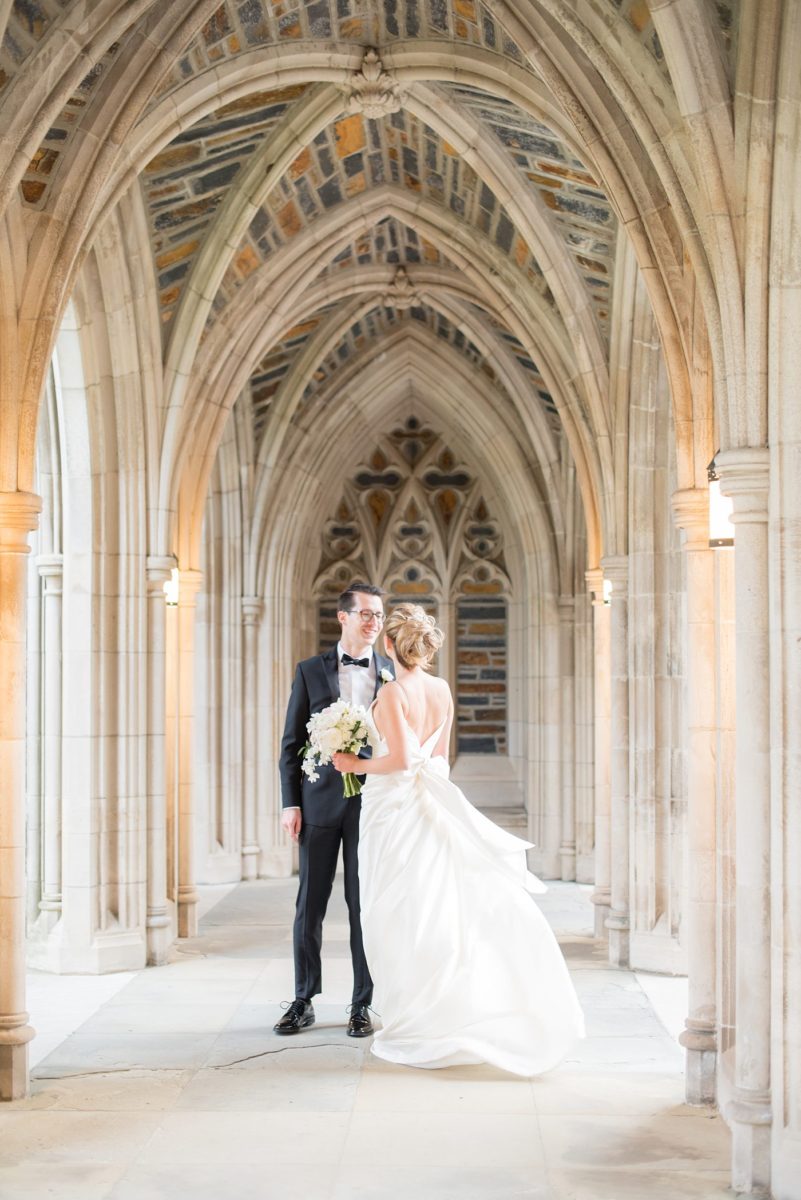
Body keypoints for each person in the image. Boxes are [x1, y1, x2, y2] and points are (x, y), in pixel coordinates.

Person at [332, 603, 585, 1074]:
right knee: (433, 906)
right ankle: (437, 1007)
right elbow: (439, 758)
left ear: (389, 645)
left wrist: (355, 765)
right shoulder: (442, 689)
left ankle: (416, 1016)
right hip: (430, 805)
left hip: (394, 812)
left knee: (395, 911)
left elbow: (403, 761)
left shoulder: (391, 694)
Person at [275, 583, 394, 1038]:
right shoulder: (309, 671)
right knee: (311, 904)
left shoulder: (390, 674)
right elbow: (291, 744)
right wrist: (290, 802)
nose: (373, 622)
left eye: (379, 615)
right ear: (342, 617)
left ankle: (361, 1003)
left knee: (363, 906)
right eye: (365, 614)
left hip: (374, 805)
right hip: (319, 802)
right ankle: (303, 999)